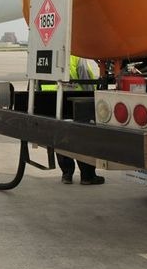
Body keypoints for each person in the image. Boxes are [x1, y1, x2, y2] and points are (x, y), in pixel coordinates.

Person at [44, 55, 105, 186]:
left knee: (61, 137)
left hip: (52, 100)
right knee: (83, 139)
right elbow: (85, 78)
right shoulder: (76, 55)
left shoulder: (48, 51)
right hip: (76, 101)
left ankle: (67, 174)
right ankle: (87, 176)